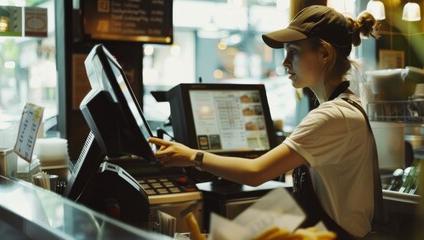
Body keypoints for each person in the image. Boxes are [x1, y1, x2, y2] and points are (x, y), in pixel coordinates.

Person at [149, 5, 381, 239]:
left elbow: (256, 172)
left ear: (324, 53)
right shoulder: (344, 107)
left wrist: (192, 156)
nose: (284, 62)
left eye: (294, 52)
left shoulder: (333, 116)